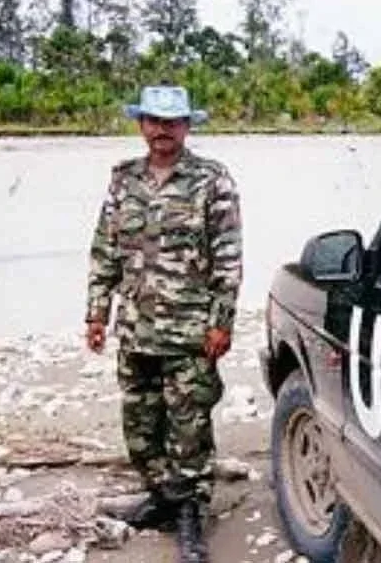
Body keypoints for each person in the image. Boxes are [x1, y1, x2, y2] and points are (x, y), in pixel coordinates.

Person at [84, 85, 243, 562]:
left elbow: (228, 258)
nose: (162, 130)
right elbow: (105, 249)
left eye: (171, 122)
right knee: (140, 424)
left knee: (188, 427)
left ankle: (190, 514)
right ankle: (160, 497)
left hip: (190, 332)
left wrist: (221, 322)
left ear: (187, 126)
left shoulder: (212, 180)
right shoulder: (123, 180)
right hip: (136, 330)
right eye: (153, 121)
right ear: (141, 125)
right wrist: (97, 312)